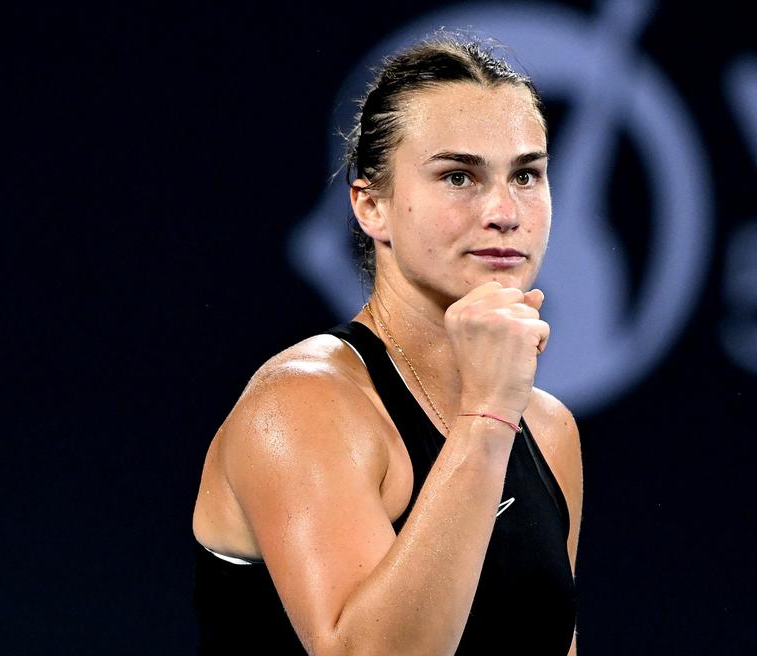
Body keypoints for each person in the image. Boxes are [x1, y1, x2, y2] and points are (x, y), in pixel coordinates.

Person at [191, 37, 582, 655]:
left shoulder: (548, 429)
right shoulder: (301, 404)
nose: (506, 211)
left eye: (526, 175)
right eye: (459, 176)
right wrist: (484, 419)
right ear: (370, 205)